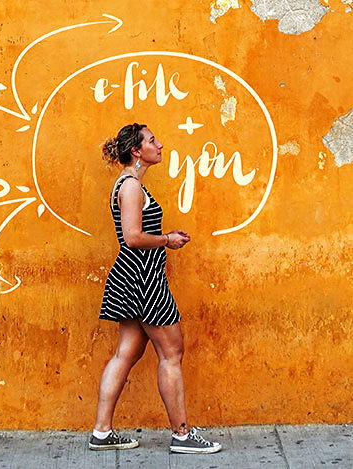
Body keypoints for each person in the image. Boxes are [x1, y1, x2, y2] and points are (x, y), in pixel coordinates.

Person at [88, 123, 222, 454]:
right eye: (152, 140)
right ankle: (182, 435)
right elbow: (133, 237)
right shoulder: (131, 187)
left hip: (132, 275)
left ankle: (101, 433)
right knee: (172, 352)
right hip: (144, 277)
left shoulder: (128, 185)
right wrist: (167, 241)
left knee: (127, 352)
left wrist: (163, 236)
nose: (159, 145)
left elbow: (135, 231)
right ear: (137, 151)